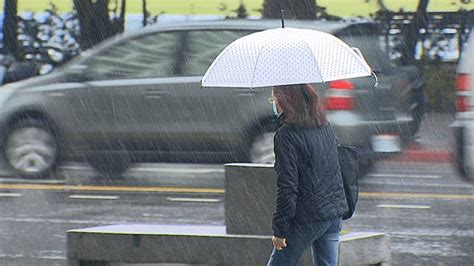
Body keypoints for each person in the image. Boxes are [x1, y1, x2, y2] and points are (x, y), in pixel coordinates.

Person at [267, 83, 346, 266]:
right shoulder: (324, 126)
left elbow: (287, 187)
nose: (273, 102)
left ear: (286, 101)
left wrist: (280, 230)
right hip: (333, 214)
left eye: (274, 97)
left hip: (307, 217)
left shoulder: (285, 136)